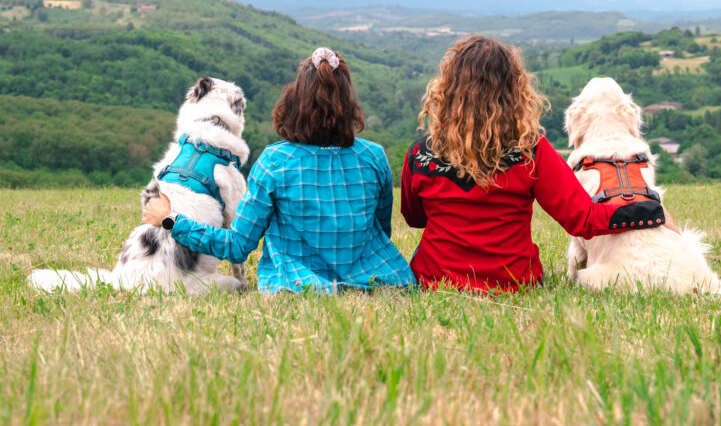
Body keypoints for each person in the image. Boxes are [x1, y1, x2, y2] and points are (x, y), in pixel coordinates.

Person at [400, 35, 672, 293]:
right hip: (514, 282)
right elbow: (584, 220)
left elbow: (414, 219)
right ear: (513, 91)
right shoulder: (531, 151)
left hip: (436, 281)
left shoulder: (420, 153)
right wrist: (648, 210)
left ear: (447, 89)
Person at [142, 47, 415, 293]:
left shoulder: (275, 160)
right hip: (378, 279)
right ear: (349, 102)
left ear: (296, 100)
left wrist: (170, 219)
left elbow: (237, 245)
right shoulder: (374, 156)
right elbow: (380, 231)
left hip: (299, 284)